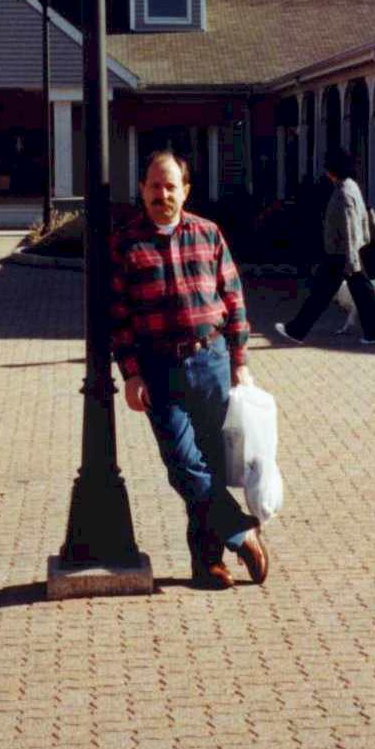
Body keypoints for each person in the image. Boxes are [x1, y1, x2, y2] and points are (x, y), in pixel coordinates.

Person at [111, 150, 269, 590]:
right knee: (182, 463)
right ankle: (239, 529)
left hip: (211, 360)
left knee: (211, 463)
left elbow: (233, 299)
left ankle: (208, 565)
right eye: (154, 186)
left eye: (170, 187)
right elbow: (118, 317)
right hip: (159, 368)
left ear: (185, 191)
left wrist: (239, 361)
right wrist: (131, 374)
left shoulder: (208, 234)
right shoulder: (125, 244)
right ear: (141, 189)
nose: (162, 195)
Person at [274, 147, 375, 346]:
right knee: (360, 292)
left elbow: (348, 228)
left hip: (340, 253)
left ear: (332, 170)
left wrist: (351, 260)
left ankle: (296, 330)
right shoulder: (351, 186)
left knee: (322, 294)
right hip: (346, 252)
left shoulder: (343, 193)